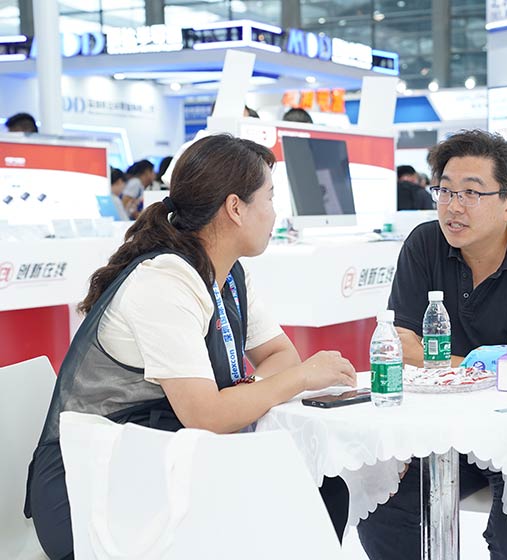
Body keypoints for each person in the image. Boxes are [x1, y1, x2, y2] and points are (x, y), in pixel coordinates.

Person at [24, 134, 357, 560]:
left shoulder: (230, 274)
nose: (275, 213)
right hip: (94, 487)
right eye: (270, 197)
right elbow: (207, 415)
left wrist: (242, 395)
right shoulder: (164, 280)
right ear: (235, 207)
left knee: (322, 489)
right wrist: (300, 379)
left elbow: (280, 356)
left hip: (165, 459)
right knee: (298, 501)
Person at [358, 130, 507, 560]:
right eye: (445, 190)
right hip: (439, 429)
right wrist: (486, 366)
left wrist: (447, 363)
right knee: (380, 511)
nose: (453, 206)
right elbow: (400, 346)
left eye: (471, 193)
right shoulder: (424, 244)